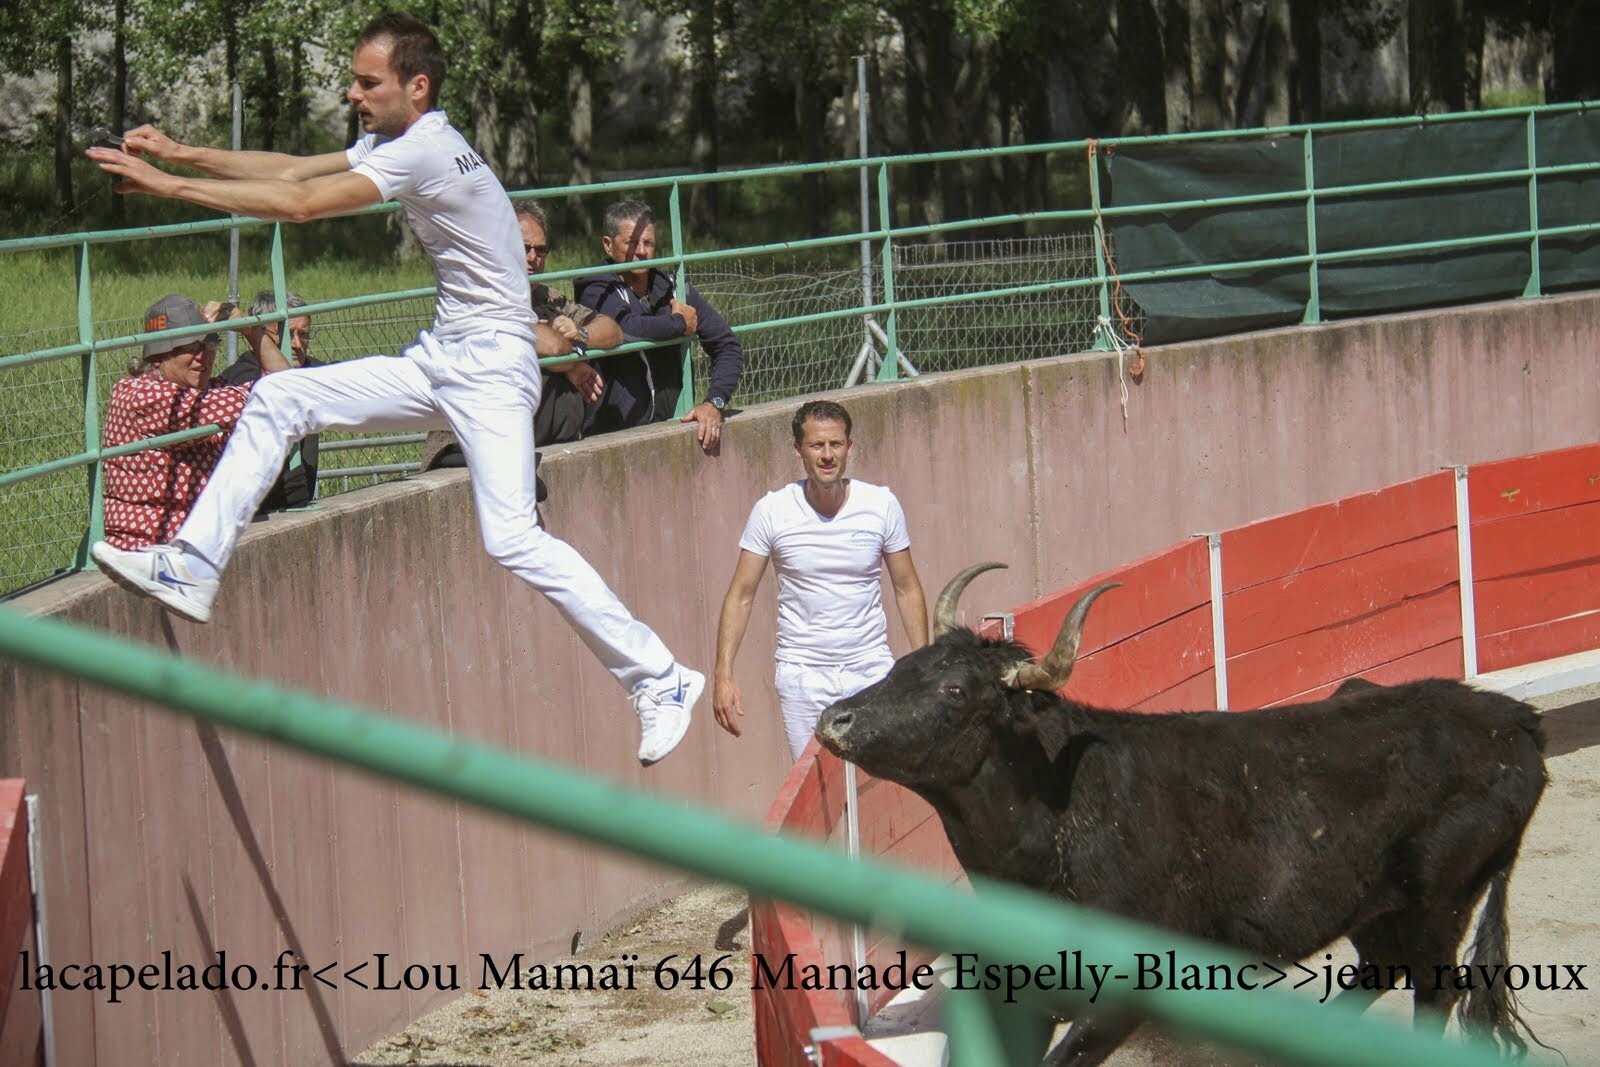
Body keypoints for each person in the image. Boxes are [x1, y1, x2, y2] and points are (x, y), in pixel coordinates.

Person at [85, 11, 703, 765]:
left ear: (416, 86)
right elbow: (295, 170)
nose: (353, 93)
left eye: (367, 82)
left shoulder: (428, 155)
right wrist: (183, 152)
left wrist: (169, 185)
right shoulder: (406, 139)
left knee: (511, 537)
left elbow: (304, 207)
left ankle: (661, 678)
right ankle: (191, 563)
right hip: (445, 357)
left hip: (493, 370)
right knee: (281, 396)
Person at [713, 400, 929, 760]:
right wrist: (723, 674)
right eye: (816, 445)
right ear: (798, 450)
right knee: (815, 799)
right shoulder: (772, 511)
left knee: (876, 793)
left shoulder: (881, 505)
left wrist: (923, 668)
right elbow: (741, 595)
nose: (827, 455)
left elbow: (907, 588)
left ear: (849, 447)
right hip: (803, 676)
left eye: (836, 444)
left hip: (871, 670)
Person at [419, 199, 624, 470]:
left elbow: (613, 331)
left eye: (541, 250)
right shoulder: (482, 295)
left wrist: (581, 333)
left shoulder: (546, 297)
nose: (533, 258)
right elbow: (551, 347)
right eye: (524, 248)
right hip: (463, 451)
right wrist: (573, 365)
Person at [101, 294, 290, 550]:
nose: (203, 357)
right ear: (158, 356)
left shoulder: (198, 391)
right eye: (190, 348)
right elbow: (281, 392)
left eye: (209, 345)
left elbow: (283, 386)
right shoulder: (142, 396)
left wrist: (251, 330)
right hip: (147, 551)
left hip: (189, 546)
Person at [574, 200, 743, 452]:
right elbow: (624, 329)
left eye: (648, 243)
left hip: (672, 426)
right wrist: (678, 323)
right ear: (608, 245)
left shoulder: (671, 286)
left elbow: (727, 345)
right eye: (631, 243)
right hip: (609, 438)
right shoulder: (595, 286)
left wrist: (714, 403)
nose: (641, 252)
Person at [215, 289, 323, 510]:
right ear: (262, 333)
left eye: (303, 334)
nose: (296, 344)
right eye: (286, 334)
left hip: (298, 501)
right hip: (257, 510)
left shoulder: (311, 369)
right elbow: (287, 388)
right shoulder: (242, 376)